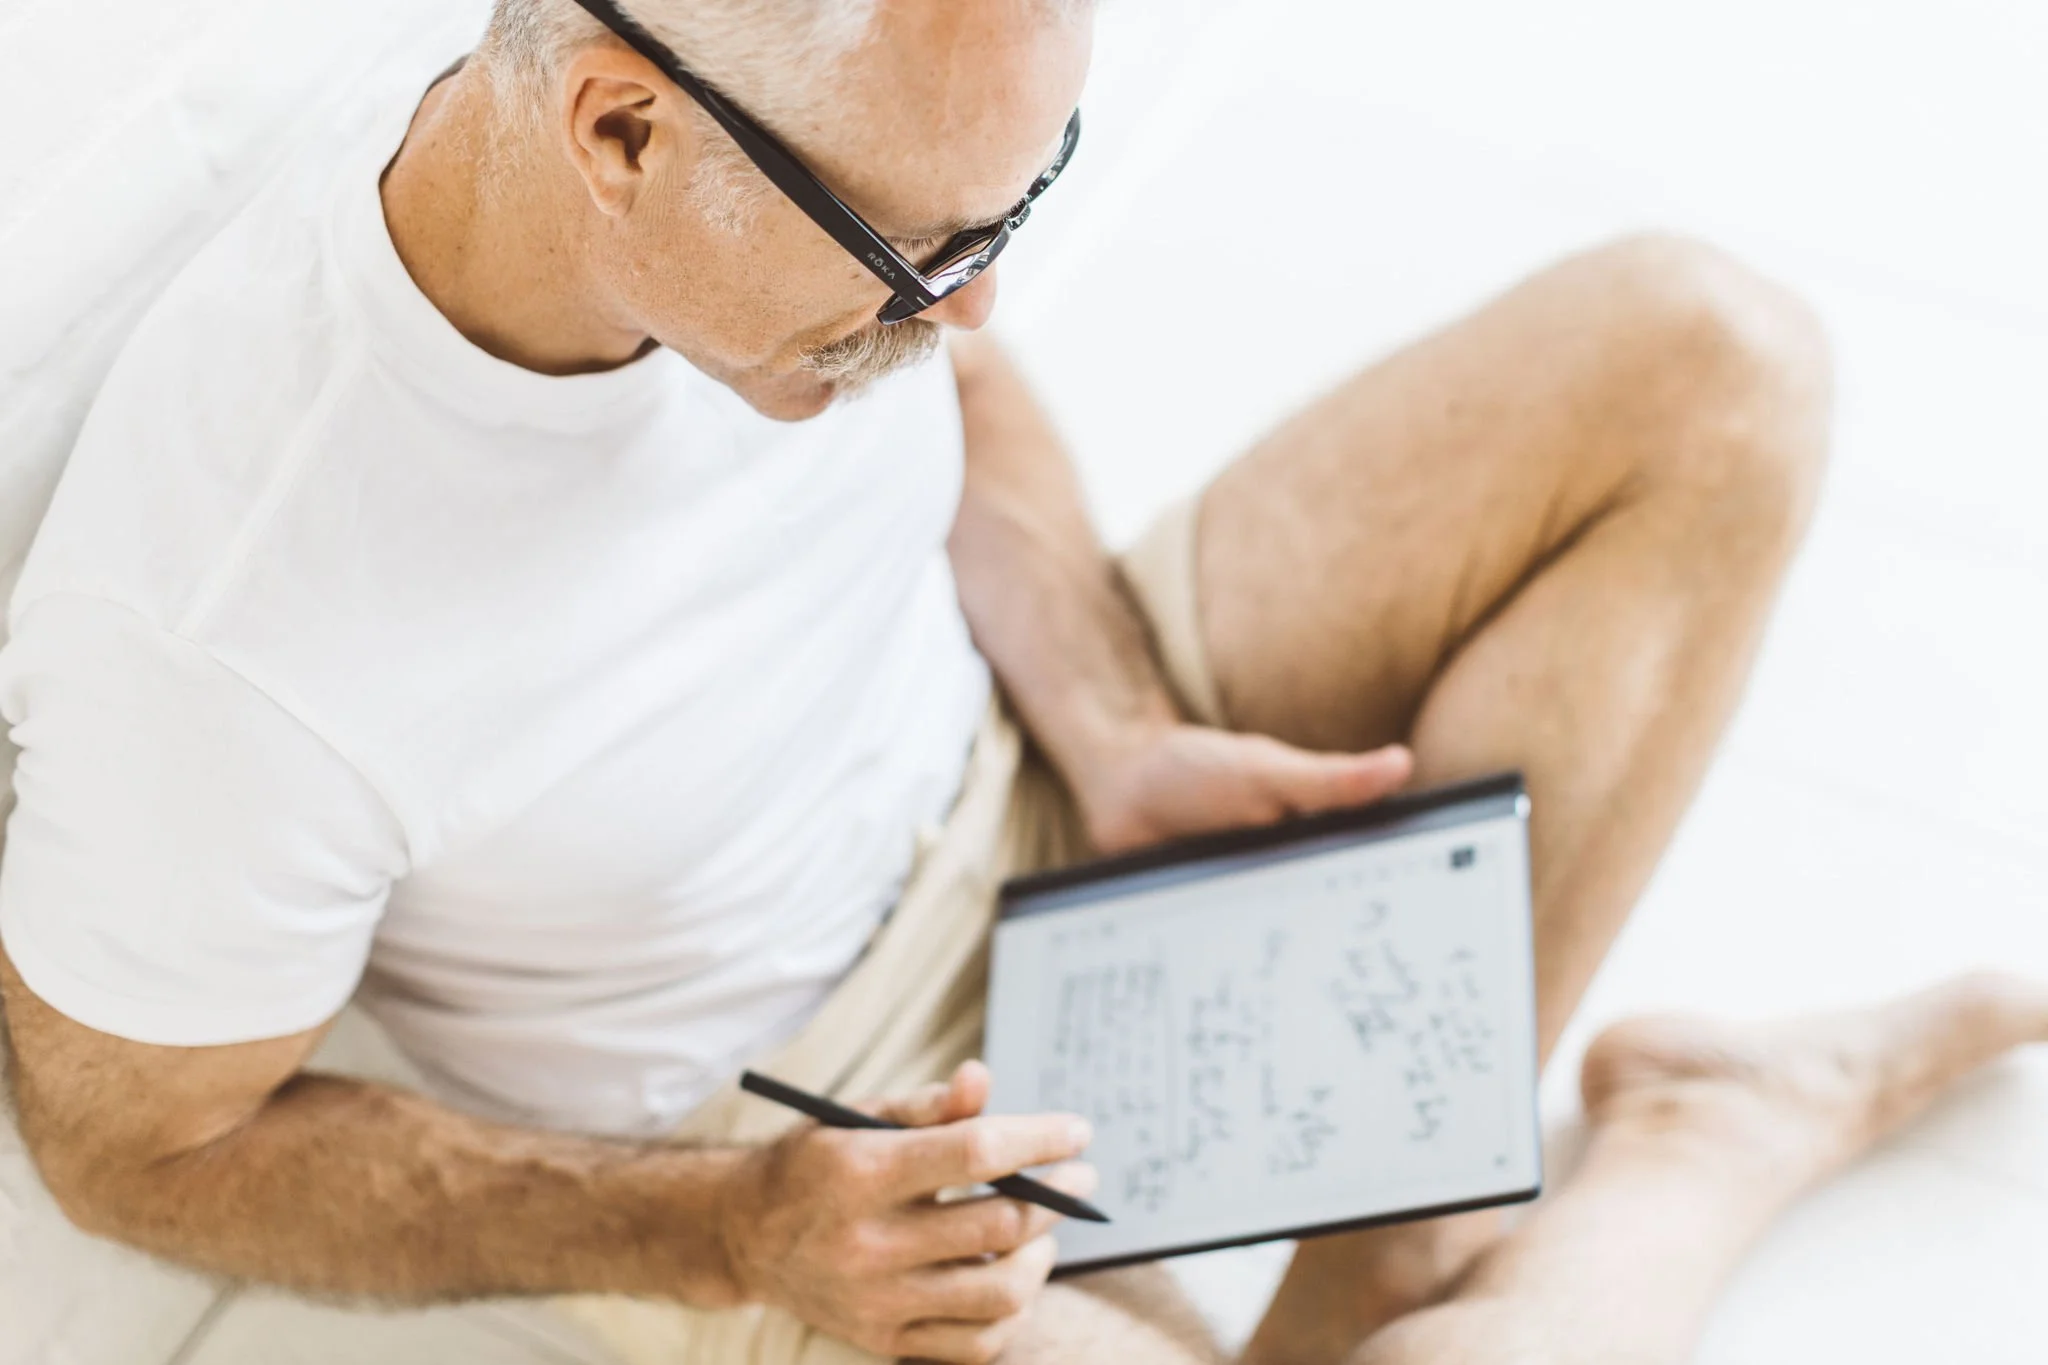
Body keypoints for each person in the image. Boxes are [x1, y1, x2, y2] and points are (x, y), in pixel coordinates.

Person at [0, 2, 2039, 1363]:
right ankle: (1702, 1142)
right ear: (617, 131)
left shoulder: (779, 219)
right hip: (801, 1128)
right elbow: (132, 1151)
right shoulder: (225, 624)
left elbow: (950, 372)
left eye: (1019, 204)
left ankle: (1382, 1257)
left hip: (1032, 753)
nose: (974, 302)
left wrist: (1111, 728)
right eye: (915, 254)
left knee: (1708, 356)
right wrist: (735, 1228)